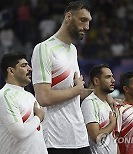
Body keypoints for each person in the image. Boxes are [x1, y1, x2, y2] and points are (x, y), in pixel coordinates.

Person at [31, 1, 92, 154]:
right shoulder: (44, 48)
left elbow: (72, 93)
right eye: (83, 20)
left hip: (79, 136)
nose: (87, 27)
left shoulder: (73, 50)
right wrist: (77, 89)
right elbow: (43, 97)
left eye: (89, 22)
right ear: (68, 17)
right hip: (56, 139)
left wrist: (101, 95)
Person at [0, 52, 47, 154]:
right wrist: (38, 117)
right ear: (11, 71)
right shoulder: (6, 96)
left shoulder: (29, 96)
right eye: (24, 65)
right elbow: (19, 133)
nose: (30, 69)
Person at [81, 64, 118, 154]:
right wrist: (113, 123)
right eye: (108, 77)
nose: (113, 80)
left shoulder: (107, 103)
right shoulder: (89, 103)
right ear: (96, 81)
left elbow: (113, 139)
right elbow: (96, 137)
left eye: (112, 77)